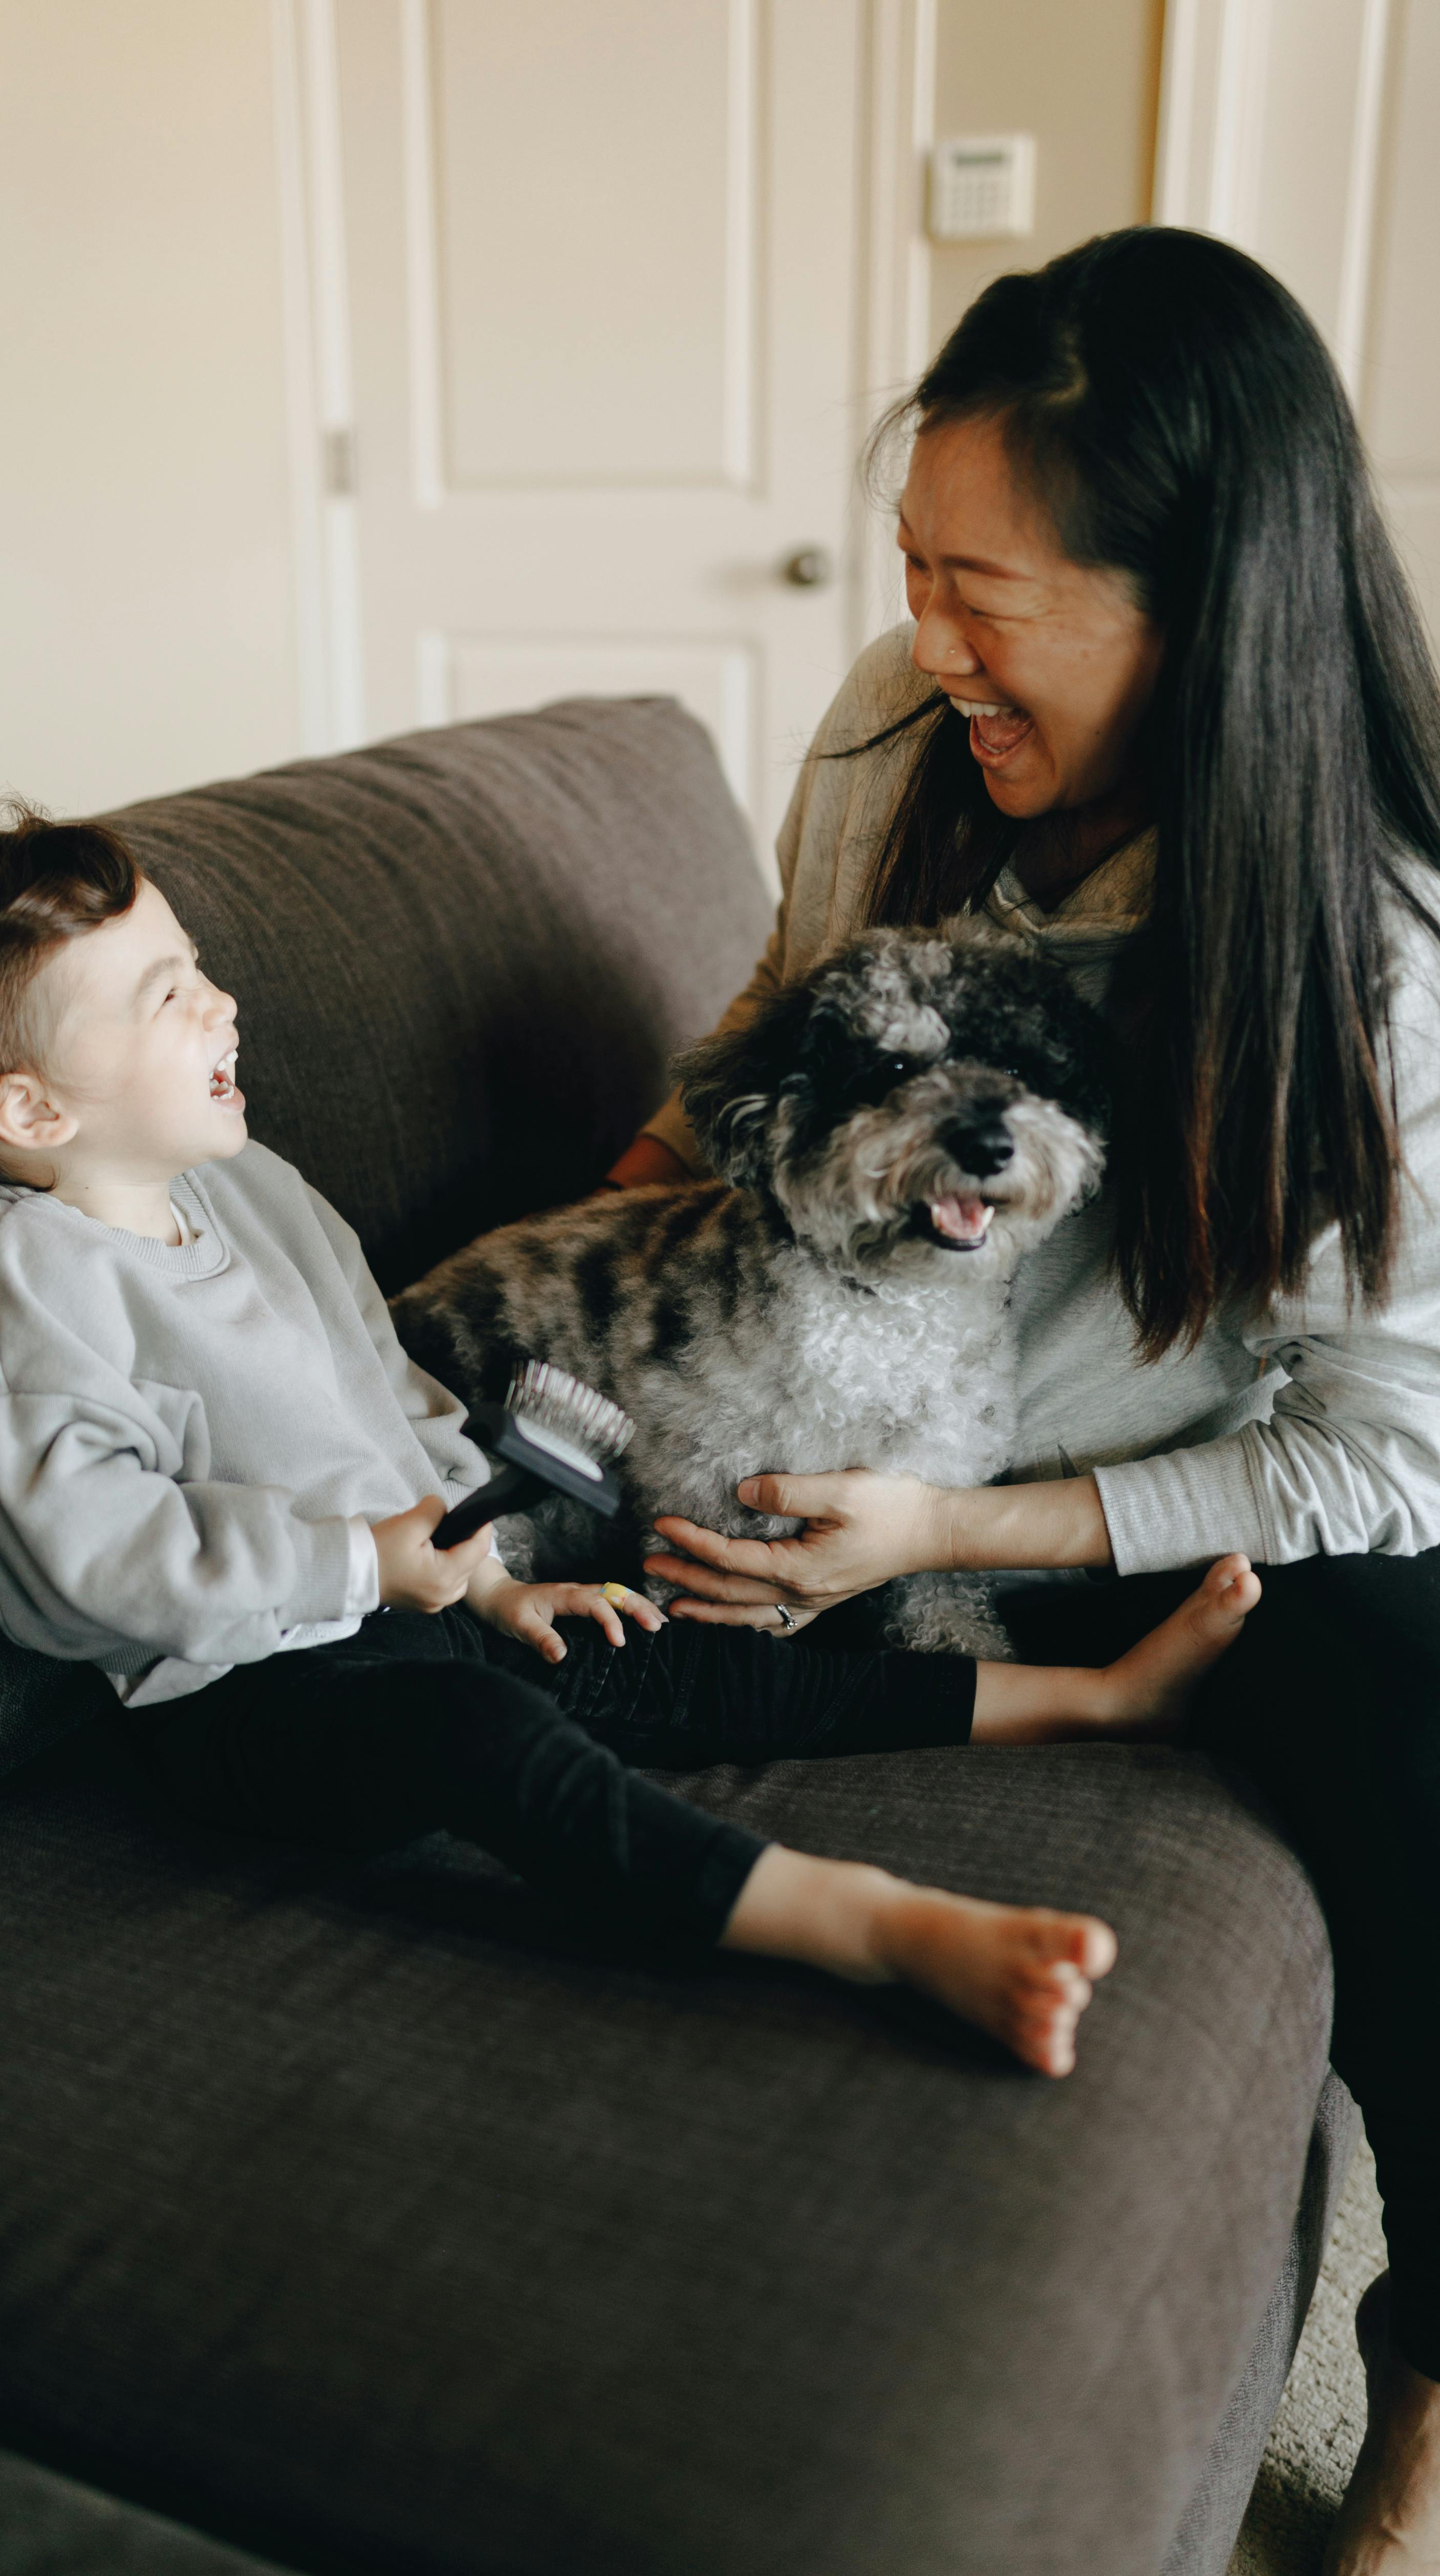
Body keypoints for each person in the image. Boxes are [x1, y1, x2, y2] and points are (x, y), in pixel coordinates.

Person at [609, 227, 1440, 2576]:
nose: (928, 637)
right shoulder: (896, 733)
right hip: (857, 1421)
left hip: (1165, 1506)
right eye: (914, 570)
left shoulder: (1367, 939)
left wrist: (941, 1538)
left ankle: (1425, 2407)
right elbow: (778, 1020)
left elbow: (1382, 1441)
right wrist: (564, 1257)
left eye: (995, 591)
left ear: (1196, 603)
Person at [0, 808, 1264, 2080]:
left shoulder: (246, 1182)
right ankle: (867, 1926)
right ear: (32, 1107)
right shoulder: (29, 1297)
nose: (224, 1006)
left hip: (418, 1601)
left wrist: (488, 1568)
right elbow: (94, 1557)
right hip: (237, 1698)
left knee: (665, 1652)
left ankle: (1096, 1702)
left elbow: (384, 1384)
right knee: (481, 1736)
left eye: (203, 969)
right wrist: (355, 1564)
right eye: (169, 996)